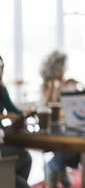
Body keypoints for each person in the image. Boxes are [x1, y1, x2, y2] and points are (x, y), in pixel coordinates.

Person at [40, 51, 83, 188]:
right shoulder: (46, 86)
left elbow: (84, 102)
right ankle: (54, 166)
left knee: (78, 140)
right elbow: (48, 106)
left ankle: (57, 166)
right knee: (67, 139)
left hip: (69, 125)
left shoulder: (69, 84)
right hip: (51, 126)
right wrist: (55, 88)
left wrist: (79, 84)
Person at [0, 55, 32, 188]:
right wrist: (4, 117)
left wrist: (24, 114)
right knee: (23, 157)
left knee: (25, 157)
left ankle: (8, 182)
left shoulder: (1, 89)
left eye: (1, 67)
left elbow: (14, 110)